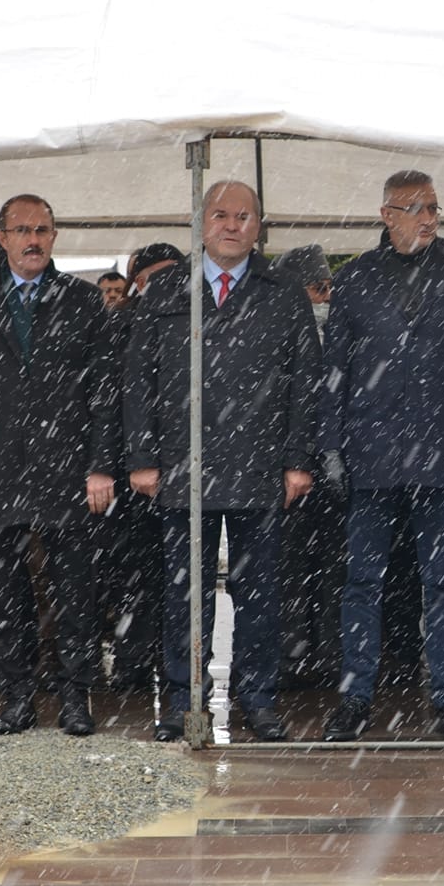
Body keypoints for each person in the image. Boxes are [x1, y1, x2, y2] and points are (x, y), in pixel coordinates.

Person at [123, 181, 318, 742]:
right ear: (200, 221)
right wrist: (141, 457)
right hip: (183, 467)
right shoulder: (167, 292)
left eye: (243, 215)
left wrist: (298, 459)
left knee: (259, 593)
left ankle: (258, 700)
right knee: (185, 594)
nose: (231, 225)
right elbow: (138, 381)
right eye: (220, 215)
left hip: (261, 466)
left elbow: (306, 381)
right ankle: (184, 703)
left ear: (259, 225)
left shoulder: (283, 292)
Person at [0, 194, 122, 738]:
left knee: (75, 593)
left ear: (55, 236)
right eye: (22, 230)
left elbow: (105, 391)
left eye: (42, 229)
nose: (33, 239)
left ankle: (73, 699)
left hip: (68, 470)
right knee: (2, 592)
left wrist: (101, 465)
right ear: (2, 238)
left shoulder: (83, 301)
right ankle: (16, 698)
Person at [318, 170, 444, 742]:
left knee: (443, 582)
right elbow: (334, 373)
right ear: (386, 214)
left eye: (434, 208)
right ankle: (355, 698)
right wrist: (330, 445)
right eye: (414, 208)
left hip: (439, 454)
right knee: (362, 583)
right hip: (370, 453)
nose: (427, 218)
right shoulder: (355, 280)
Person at [272, 244, 343, 688]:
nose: (323, 295)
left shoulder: (335, 333)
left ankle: (309, 659)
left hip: (317, 468)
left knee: (311, 569)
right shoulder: (289, 332)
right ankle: (307, 658)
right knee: (302, 569)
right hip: (300, 468)